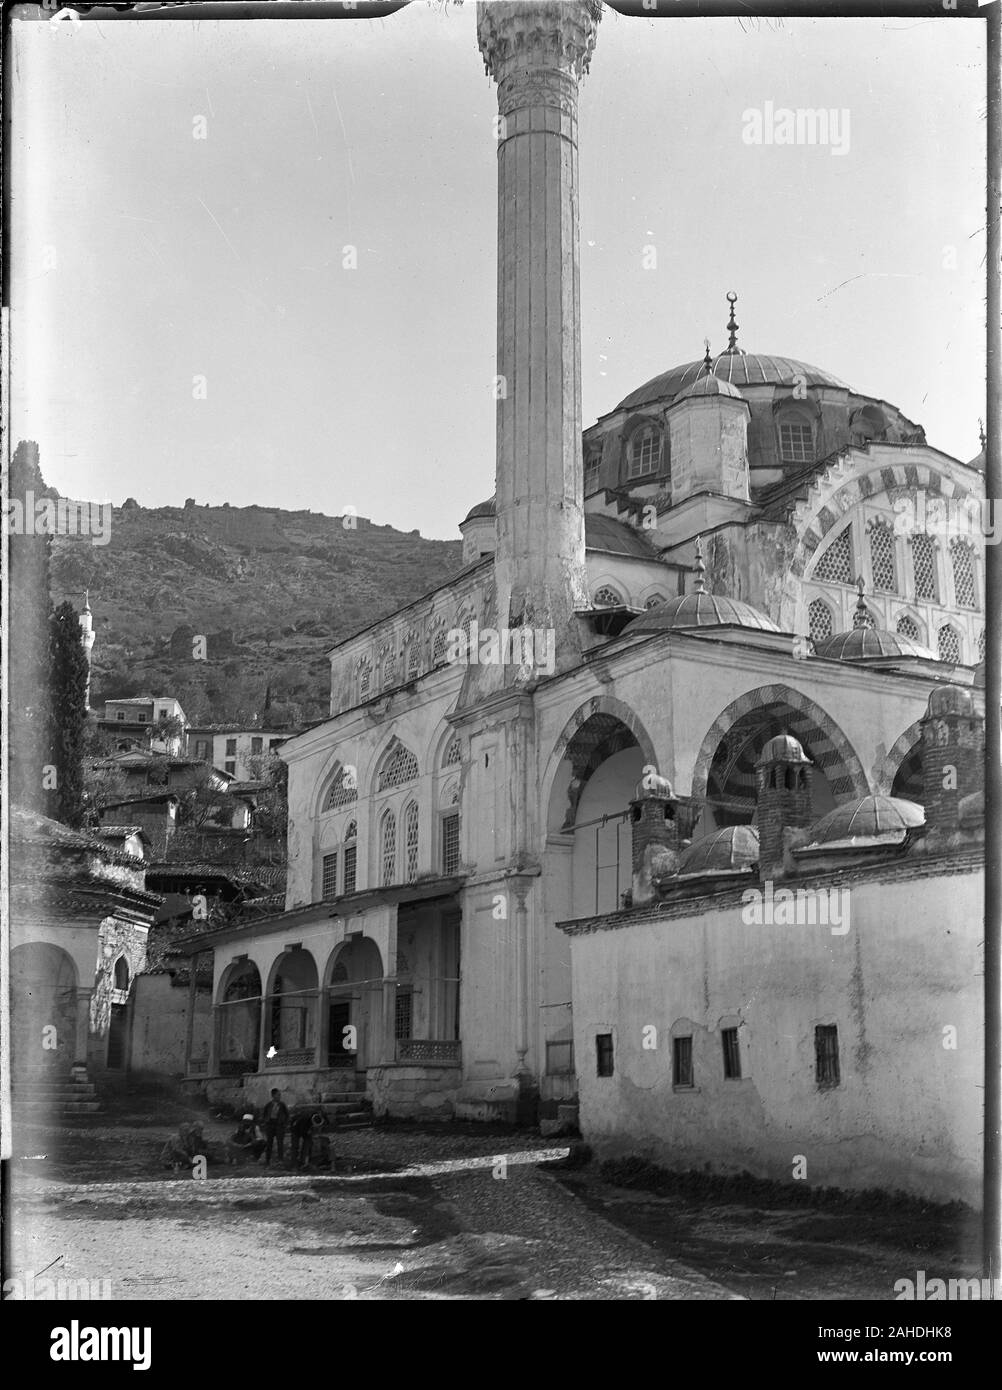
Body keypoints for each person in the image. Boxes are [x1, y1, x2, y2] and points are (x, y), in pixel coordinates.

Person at [260, 1089, 289, 1165]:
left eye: (280, 1095)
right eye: (278, 1095)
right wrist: (265, 1122)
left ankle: (280, 1160)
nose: (279, 1097)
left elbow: (287, 1115)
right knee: (269, 1143)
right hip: (270, 1124)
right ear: (273, 1096)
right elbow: (264, 1114)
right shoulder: (268, 1105)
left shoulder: (282, 1105)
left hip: (279, 1125)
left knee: (280, 1143)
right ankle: (267, 1160)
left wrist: (284, 1123)